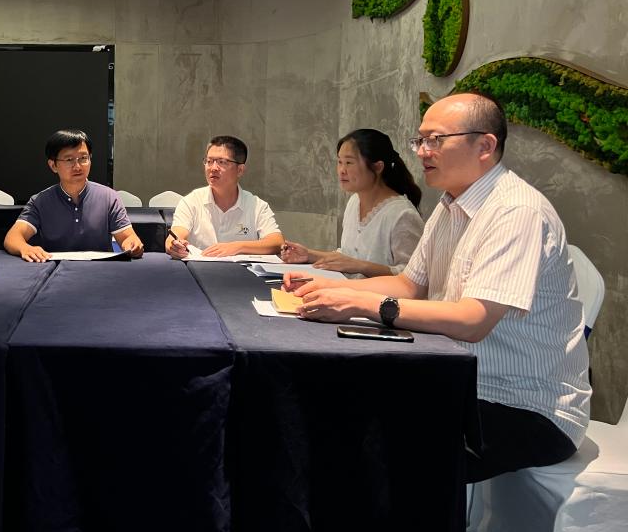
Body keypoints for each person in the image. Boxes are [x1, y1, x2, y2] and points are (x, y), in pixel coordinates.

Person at [286, 93, 591, 481]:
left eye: (436, 140)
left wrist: (362, 305)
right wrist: (324, 285)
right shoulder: (450, 206)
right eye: (420, 140)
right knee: (336, 401)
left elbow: (473, 320)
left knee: (368, 444)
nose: (422, 151)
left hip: (523, 406)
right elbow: (408, 284)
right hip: (463, 380)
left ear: (485, 146)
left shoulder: (516, 211)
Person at [280, 129, 424, 276]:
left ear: (378, 167)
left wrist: (361, 266)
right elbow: (346, 257)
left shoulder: (402, 215)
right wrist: (308, 255)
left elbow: (412, 276)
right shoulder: (354, 201)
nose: (342, 170)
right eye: (339, 162)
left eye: (349, 162)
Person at [4, 129, 145, 262]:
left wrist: (132, 243)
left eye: (83, 158)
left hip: (100, 270)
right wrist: (25, 248)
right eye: (69, 160)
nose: (77, 166)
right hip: (54, 270)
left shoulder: (109, 197)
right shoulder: (40, 201)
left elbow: (128, 237)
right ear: (53, 165)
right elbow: (13, 237)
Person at [165, 135, 283, 258]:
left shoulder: (257, 206)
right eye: (209, 161)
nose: (213, 168)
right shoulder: (191, 201)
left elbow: (277, 242)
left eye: (222, 162)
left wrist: (237, 247)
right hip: (200, 268)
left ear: (240, 170)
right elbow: (174, 238)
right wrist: (175, 246)